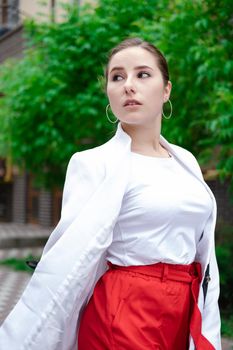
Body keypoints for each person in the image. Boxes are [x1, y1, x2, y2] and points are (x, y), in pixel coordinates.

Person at [0, 38, 221, 350]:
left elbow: (204, 251)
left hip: (184, 310)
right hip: (123, 313)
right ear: (108, 93)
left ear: (166, 90)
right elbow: (69, 260)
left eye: (143, 74)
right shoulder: (93, 164)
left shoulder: (186, 161)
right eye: (117, 77)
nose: (128, 85)